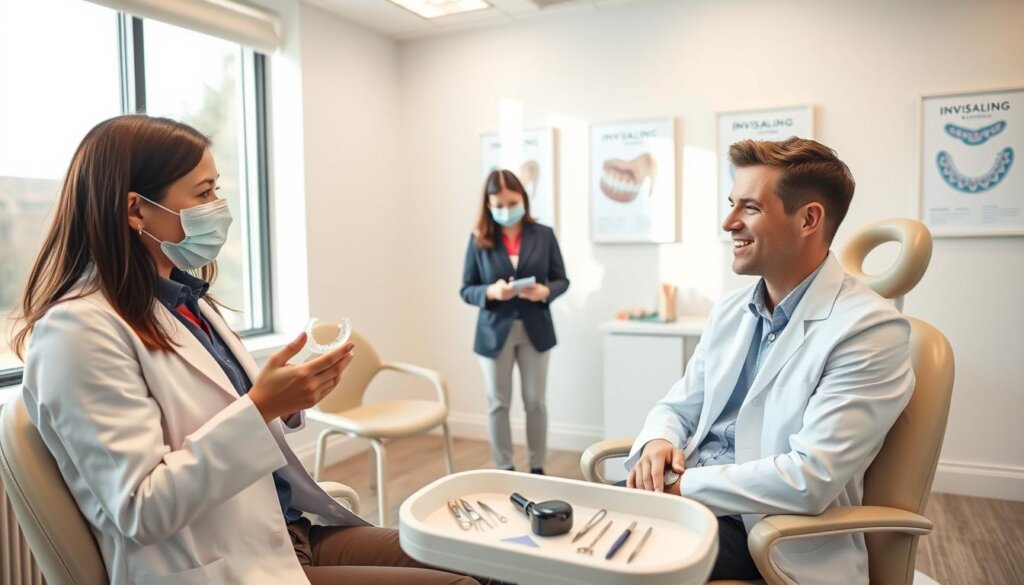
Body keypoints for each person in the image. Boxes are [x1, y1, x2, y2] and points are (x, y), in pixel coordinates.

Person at [12, 115, 487, 585]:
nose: (220, 207)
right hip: (219, 565)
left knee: (484, 563)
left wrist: (290, 394)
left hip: (282, 532)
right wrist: (264, 405)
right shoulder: (78, 333)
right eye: (203, 194)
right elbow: (143, 508)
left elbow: (223, 414)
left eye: (216, 189)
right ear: (136, 210)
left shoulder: (184, 301)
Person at [624, 138, 914, 584]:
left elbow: (809, 478)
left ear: (808, 219)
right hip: (686, 506)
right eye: (730, 204)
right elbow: (678, 406)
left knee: (598, 567)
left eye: (750, 208)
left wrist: (680, 486)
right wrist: (658, 442)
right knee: (549, 540)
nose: (728, 222)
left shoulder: (870, 330)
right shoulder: (731, 310)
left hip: (764, 534)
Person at [460, 169, 569, 475]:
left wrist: (546, 291)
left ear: (523, 198)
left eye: (512, 202)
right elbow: (466, 288)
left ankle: (537, 467)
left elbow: (562, 279)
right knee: (498, 403)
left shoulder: (543, 235)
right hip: (494, 333)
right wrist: (491, 291)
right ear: (488, 205)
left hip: (536, 330)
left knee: (536, 402)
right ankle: (504, 468)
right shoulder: (479, 238)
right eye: (499, 204)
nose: (506, 210)